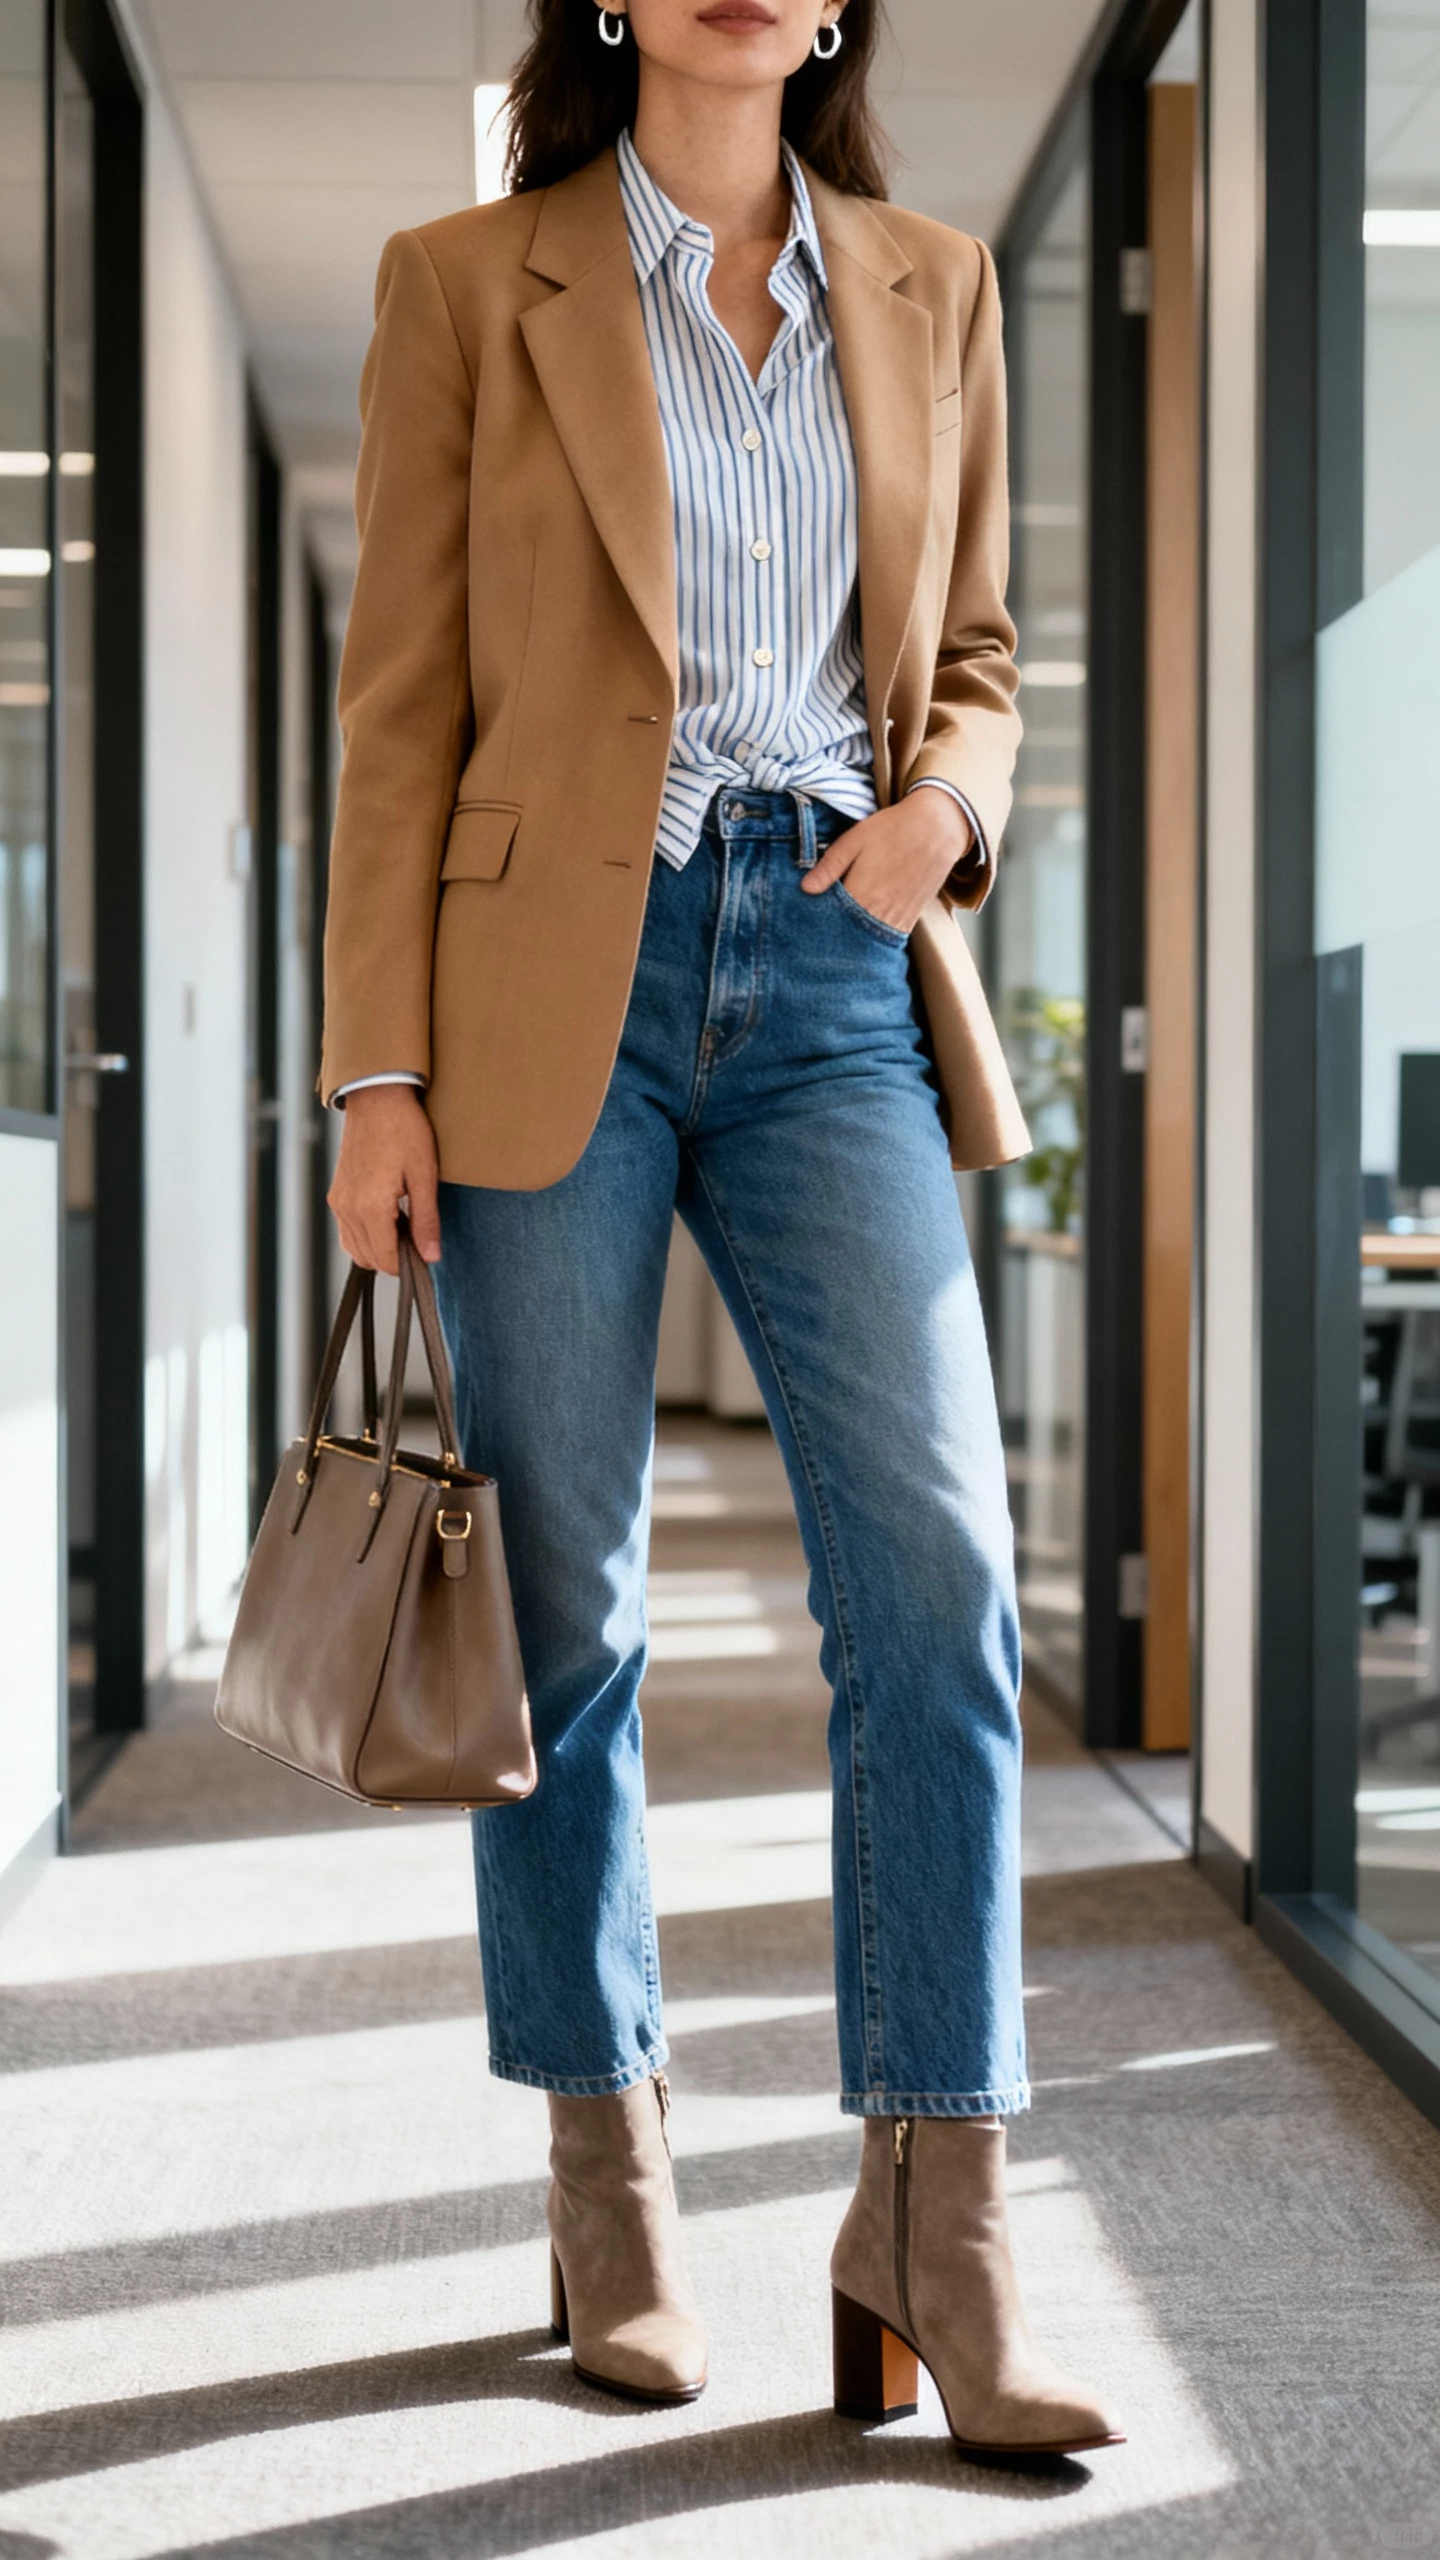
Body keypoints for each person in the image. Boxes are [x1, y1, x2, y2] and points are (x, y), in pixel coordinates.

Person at [323, 0, 1122, 2457]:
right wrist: (374, 1070)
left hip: (836, 970)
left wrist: (950, 823)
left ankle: (937, 2205)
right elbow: (404, 704)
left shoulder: (938, 284)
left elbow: (973, 663)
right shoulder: (473, 279)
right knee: (565, 1608)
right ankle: (607, 2152)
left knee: (944, 1583)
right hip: (544, 967)